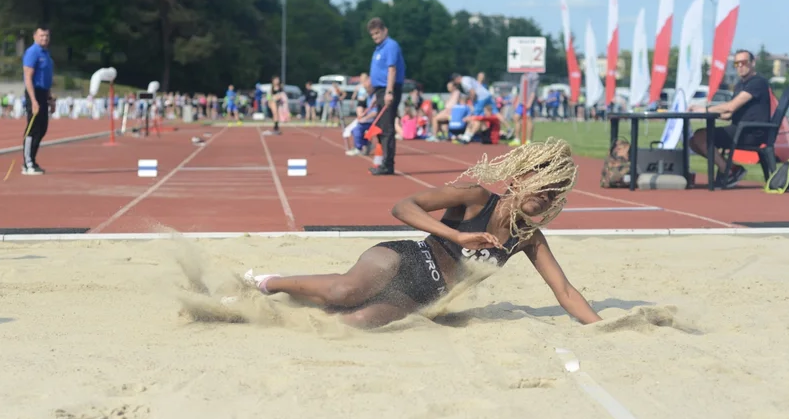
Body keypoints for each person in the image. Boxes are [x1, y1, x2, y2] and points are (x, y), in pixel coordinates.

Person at [242, 138, 601, 329]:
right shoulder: (477, 198)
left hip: (423, 298)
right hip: (405, 259)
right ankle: (270, 283)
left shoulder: (528, 239)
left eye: (555, 193)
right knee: (346, 290)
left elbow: (566, 292)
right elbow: (403, 206)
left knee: (356, 321)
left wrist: (599, 327)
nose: (546, 197)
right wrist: (457, 236)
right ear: (521, 177)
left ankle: (282, 310)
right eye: (543, 186)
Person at [689, 49, 771, 188]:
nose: (740, 66)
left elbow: (731, 107)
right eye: (736, 63)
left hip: (751, 132)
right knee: (693, 141)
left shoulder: (757, 82)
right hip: (739, 129)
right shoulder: (740, 85)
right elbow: (729, 114)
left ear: (753, 63)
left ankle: (729, 171)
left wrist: (705, 110)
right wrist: (707, 114)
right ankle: (731, 168)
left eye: (743, 62)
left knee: (700, 137)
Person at [366, 17, 405, 176]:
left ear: (384, 30)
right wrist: (376, 94)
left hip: (390, 88)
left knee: (387, 129)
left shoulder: (390, 46)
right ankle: (383, 162)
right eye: (373, 35)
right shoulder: (378, 49)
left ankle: (388, 165)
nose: (375, 37)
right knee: (381, 128)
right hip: (380, 90)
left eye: (377, 33)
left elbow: (392, 70)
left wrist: (389, 92)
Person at [22, 27, 54, 175]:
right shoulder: (32, 52)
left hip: (43, 93)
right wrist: (33, 100)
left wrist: (50, 99)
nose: (44, 39)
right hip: (33, 93)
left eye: (46, 36)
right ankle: (27, 163)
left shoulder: (47, 55)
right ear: (35, 36)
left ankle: (32, 160)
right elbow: (28, 76)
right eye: (41, 36)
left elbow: (46, 80)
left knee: (43, 129)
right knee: (33, 128)